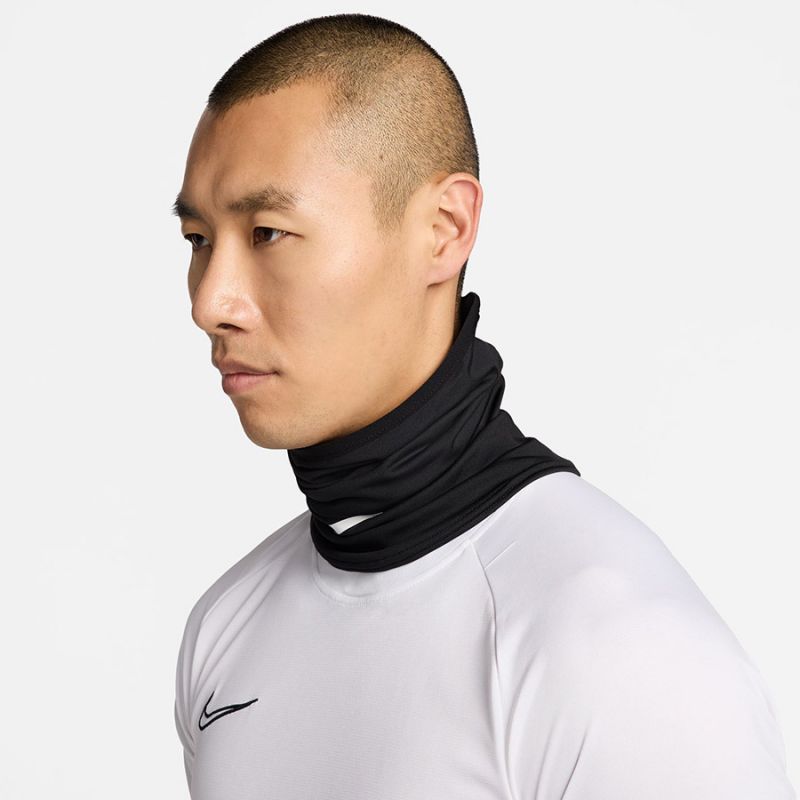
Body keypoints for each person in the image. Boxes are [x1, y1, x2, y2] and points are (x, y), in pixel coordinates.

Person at [170, 12, 795, 800]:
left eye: (266, 232)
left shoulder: (619, 651)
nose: (210, 302)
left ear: (445, 229)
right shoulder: (226, 628)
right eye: (198, 239)